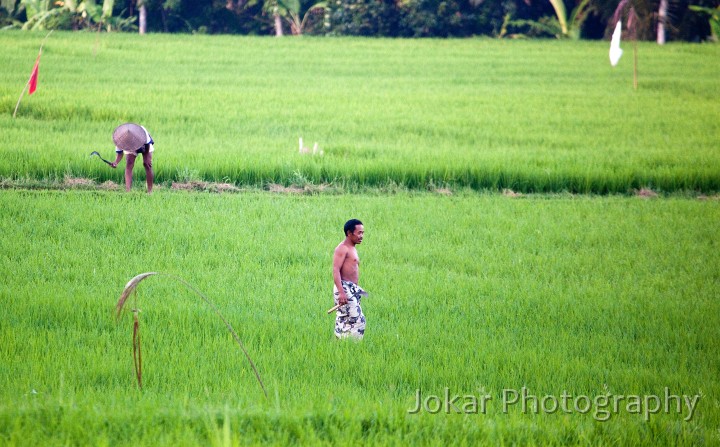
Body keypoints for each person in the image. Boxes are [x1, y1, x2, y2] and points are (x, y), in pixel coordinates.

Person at [332, 218, 368, 340]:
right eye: (359, 233)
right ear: (349, 233)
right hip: (344, 288)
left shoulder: (352, 248)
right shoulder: (342, 248)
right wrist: (341, 292)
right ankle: (354, 347)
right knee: (358, 321)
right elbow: (335, 270)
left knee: (344, 319)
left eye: (362, 233)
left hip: (351, 289)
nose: (361, 236)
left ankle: (339, 346)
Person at [110, 123, 155, 193]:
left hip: (144, 144)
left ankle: (150, 191)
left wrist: (146, 160)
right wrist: (116, 162)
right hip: (129, 146)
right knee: (129, 163)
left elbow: (147, 146)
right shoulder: (120, 139)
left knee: (147, 164)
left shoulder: (142, 132)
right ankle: (128, 191)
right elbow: (119, 154)